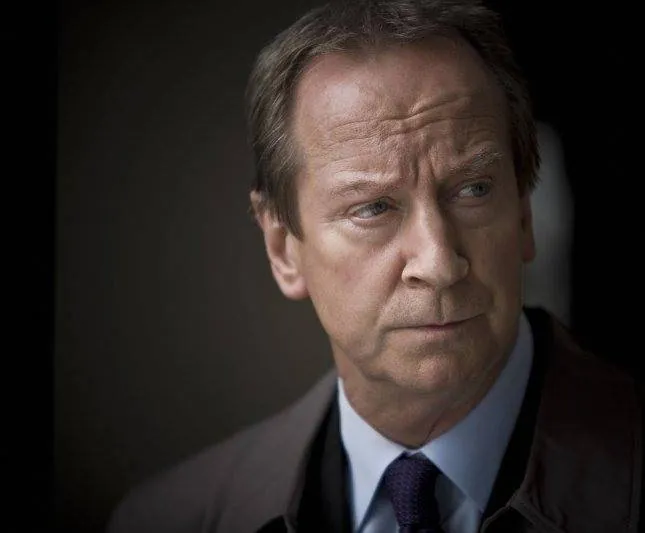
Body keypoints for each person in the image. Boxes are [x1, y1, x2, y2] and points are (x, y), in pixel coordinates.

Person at [107, 1, 643, 532]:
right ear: (283, 248)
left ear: (523, 214)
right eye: (373, 208)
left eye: (474, 190)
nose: (438, 262)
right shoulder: (167, 520)